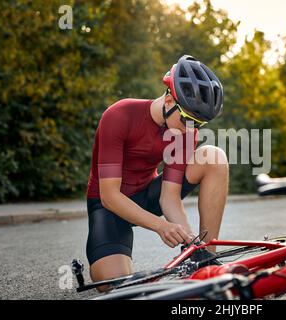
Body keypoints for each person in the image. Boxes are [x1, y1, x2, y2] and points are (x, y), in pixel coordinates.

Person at [85, 55, 228, 289]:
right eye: (188, 120)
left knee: (214, 157)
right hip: (107, 205)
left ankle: (206, 260)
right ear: (170, 101)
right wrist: (161, 226)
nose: (191, 130)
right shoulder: (119, 115)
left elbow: (169, 197)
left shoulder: (185, 133)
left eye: (198, 124)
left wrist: (191, 241)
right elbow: (109, 196)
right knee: (112, 283)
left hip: (147, 196)